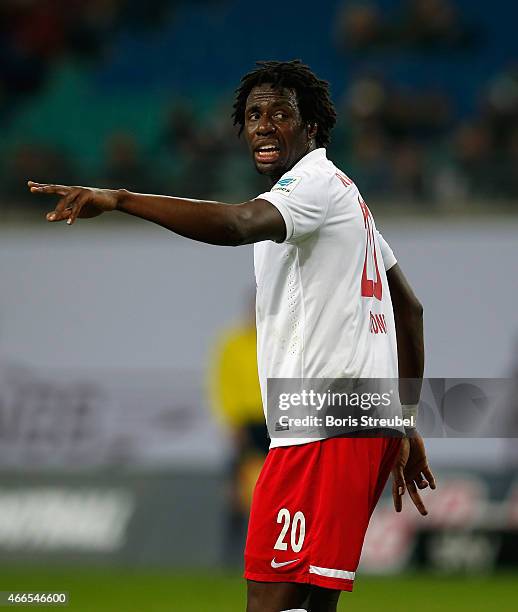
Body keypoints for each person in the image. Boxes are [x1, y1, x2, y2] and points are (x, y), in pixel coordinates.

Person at [29, 59, 436, 612]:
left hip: (322, 423)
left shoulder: (311, 184)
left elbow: (235, 225)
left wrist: (122, 199)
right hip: (354, 419)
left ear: (312, 128)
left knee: (267, 601)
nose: (263, 125)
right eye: (253, 114)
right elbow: (408, 309)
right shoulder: (345, 194)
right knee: (305, 603)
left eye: (280, 114)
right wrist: (402, 420)